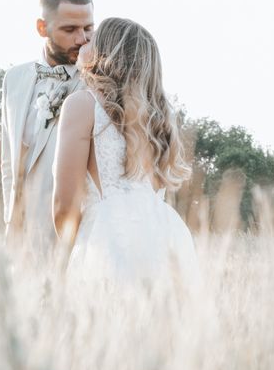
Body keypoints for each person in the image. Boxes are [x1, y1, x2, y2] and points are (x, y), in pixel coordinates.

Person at [52, 17, 199, 285]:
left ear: (104, 55)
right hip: (164, 239)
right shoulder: (160, 119)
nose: (83, 41)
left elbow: (65, 205)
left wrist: (65, 260)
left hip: (106, 239)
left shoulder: (82, 105)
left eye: (91, 40)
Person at [0, 0, 94, 257]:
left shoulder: (100, 80)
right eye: (70, 29)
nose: (82, 38)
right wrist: (11, 220)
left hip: (78, 235)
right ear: (42, 28)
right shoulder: (13, 80)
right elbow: (9, 158)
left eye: (88, 28)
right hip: (21, 237)